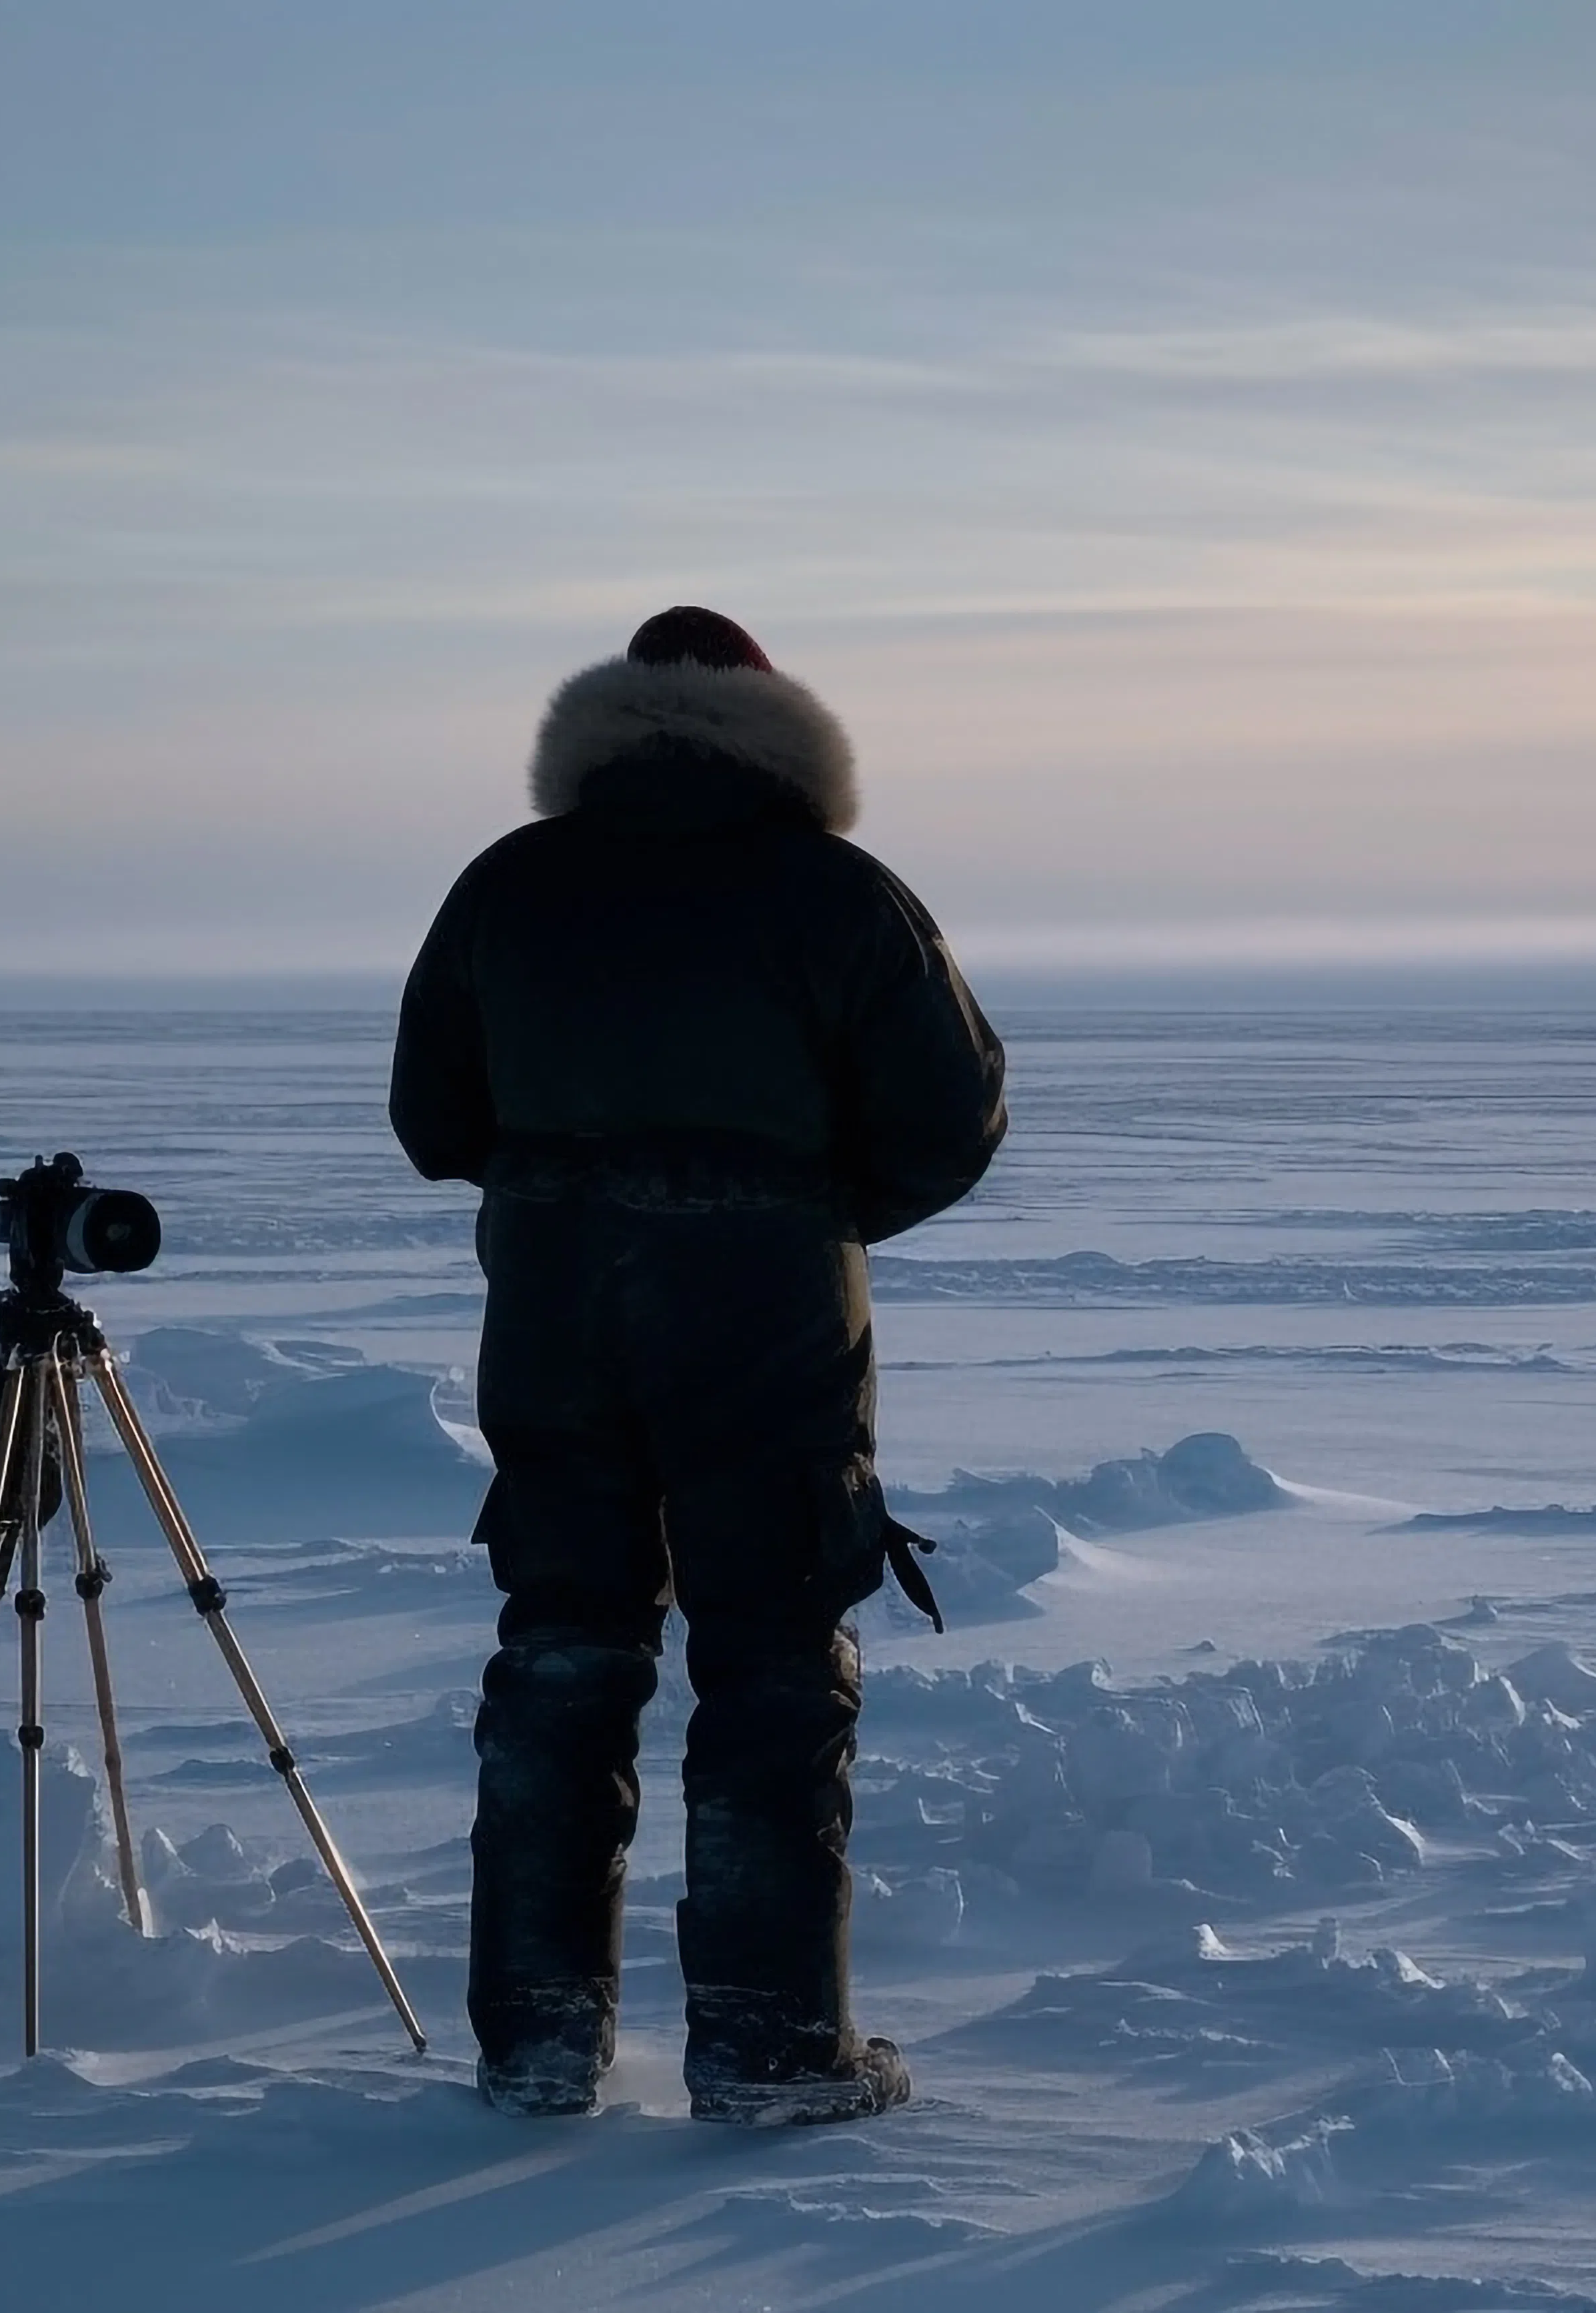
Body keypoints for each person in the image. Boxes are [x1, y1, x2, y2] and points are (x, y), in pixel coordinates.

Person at [389, 607, 1006, 2126]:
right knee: (777, 1657)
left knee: (561, 1649)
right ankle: (770, 2041)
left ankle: (536, 2033)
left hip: (550, 1316)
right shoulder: (835, 894)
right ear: (771, 721)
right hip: (766, 1321)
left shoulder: (508, 887)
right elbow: (955, 1115)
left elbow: (431, 1120)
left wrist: (565, 1187)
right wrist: (805, 1210)